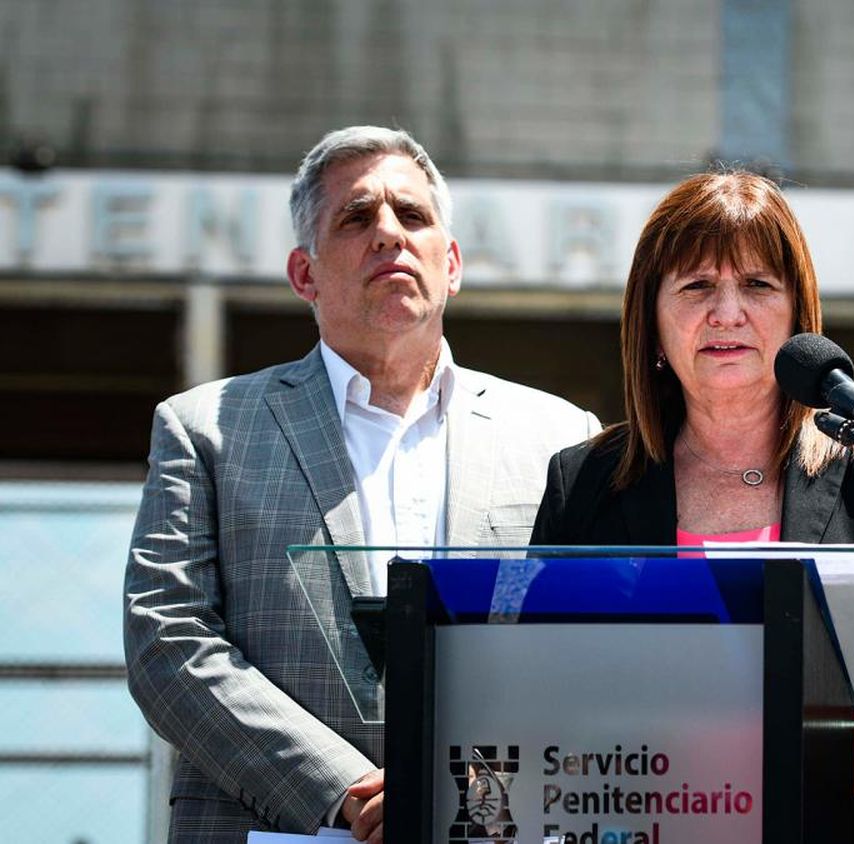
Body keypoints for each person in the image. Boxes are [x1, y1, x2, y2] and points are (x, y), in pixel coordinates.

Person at [123, 126, 601, 842]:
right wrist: (344, 790)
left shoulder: (559, 437)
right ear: (304, 275)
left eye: (412, 216)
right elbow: (168, 642)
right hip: (272, 826)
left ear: (453, 263)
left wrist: (475, 785)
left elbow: (594, 646)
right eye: (356, 217)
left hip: (500, 823)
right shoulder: (205, 428)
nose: (388, 234)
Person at [529, 170, 854, 842]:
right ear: (652, 321)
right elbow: (536, 692)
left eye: (757, 285)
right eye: (697, 287)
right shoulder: (584, 484)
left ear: (796, 312)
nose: (728, 313)